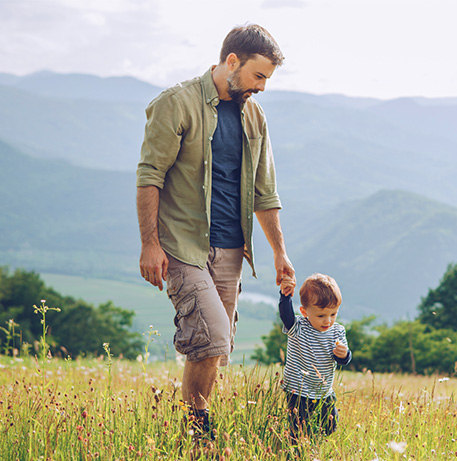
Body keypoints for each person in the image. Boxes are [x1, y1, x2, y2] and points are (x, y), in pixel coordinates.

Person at [135, 24, 294, 442]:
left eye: (267, 80)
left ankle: (190, 431)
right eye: (258, 76)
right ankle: (201, 432)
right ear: (232, 62)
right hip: (183, 246)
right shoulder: (178, 104)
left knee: (213, 350)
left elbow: (265, 191)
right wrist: (149, 244)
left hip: (231, 250)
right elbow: (150, 175)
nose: (262, 87)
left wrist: (279, 252)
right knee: (213, 336)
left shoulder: (254, 115)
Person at [278, 273, 352, 440]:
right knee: (299, 429)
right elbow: (285, 315)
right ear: (304, 312)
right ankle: (297, 451)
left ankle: (314, 444)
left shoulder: (337, 331)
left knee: (330, 426)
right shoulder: (298, 327)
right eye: (321, 315)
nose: (328, 321)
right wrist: (285, 295)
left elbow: (343, 359)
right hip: (298, 391)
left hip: (323, 391)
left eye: (333, 314)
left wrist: (344, 355)